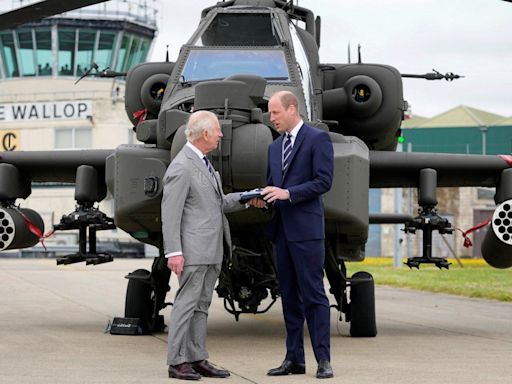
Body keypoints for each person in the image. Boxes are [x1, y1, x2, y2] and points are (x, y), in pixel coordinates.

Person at [161, 110, 259, 380]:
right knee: (186, 304)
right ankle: (177, 361)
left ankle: (197, 357)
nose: (221, 135)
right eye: (217, 130)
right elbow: (170, 213)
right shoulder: (182, 167)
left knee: (201, 305)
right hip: (193, 251)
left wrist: (247, 197)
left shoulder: (204, 164)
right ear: (205, 134)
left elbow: (218, 204)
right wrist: (174, 252)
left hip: (211, 250)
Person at [261, 91, 334, 379]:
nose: (271, 117)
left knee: (314, 296)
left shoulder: (318, 139)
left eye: (275, 112)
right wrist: (263, 196)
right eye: (270, 113)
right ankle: (294, 359)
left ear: (292, 109)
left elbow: (324, 181)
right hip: (282, 233)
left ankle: (323, 360)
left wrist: (289, 193)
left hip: (306, 232)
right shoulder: (274, 147)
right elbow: (272, 184)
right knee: (289, 298)